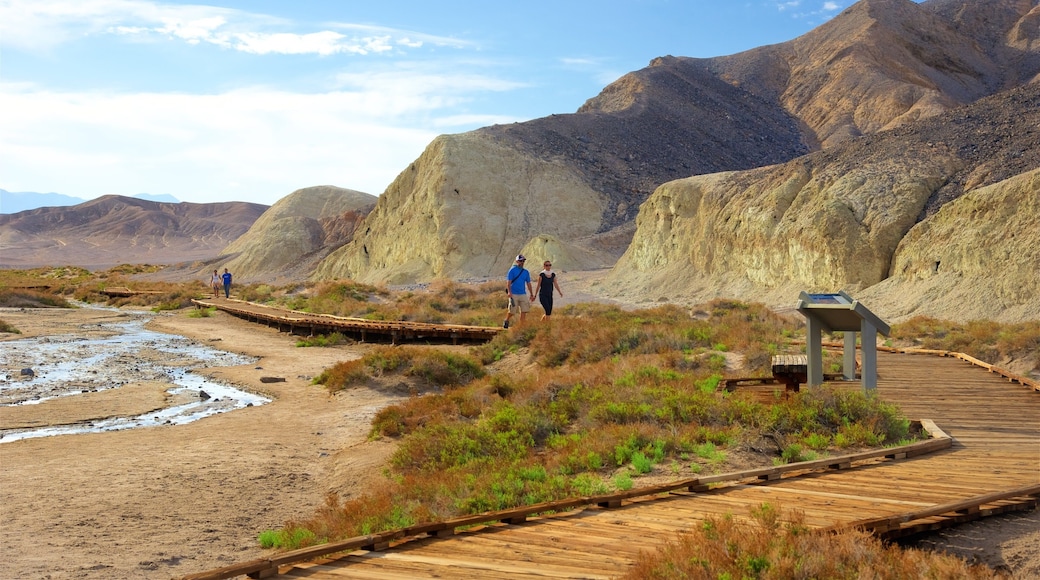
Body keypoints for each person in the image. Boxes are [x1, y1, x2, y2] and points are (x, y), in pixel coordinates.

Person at [503, 254, 534, 328]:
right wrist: (510, 292)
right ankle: (506, 320)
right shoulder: (512, 270)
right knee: (512, 311)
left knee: (524, 310)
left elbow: (528, 283)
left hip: (522, 293)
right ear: (517, 261)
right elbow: (509, 282)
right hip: (514, 293)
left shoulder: (526, 272)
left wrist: (531, 294)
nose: (522, 262)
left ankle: (521, 326)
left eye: (523, 261)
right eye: (520, 261)